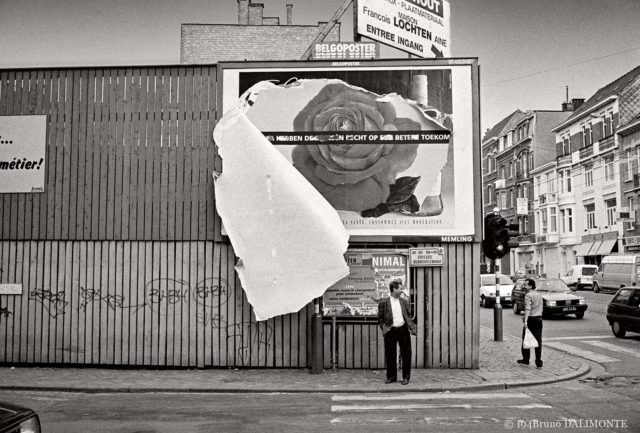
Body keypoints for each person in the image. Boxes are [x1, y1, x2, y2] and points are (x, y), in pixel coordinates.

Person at [377, 280, 417, 385]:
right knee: (390, 354)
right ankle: (391, 377)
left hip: (403, 329)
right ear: (394, 289)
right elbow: (380, 318)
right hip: (390, 330)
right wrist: (384, 328)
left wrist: (411, 326)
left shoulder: (404, 301)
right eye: (399, 288)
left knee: (406, 353)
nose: (401, 290)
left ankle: (406, 377)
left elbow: (408, 314)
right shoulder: (383, 302)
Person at [518, 278, 543, 368]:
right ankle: (538, 361)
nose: (524, 286)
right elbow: (541, 308)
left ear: (531, 286)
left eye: (525, 285)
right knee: (538, 341)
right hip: (539, 319)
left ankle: (526, 359)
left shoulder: (528, 295)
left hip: (531, 319)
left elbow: (528, 308)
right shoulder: (538, 295)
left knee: (526, 339)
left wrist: (526, 320)